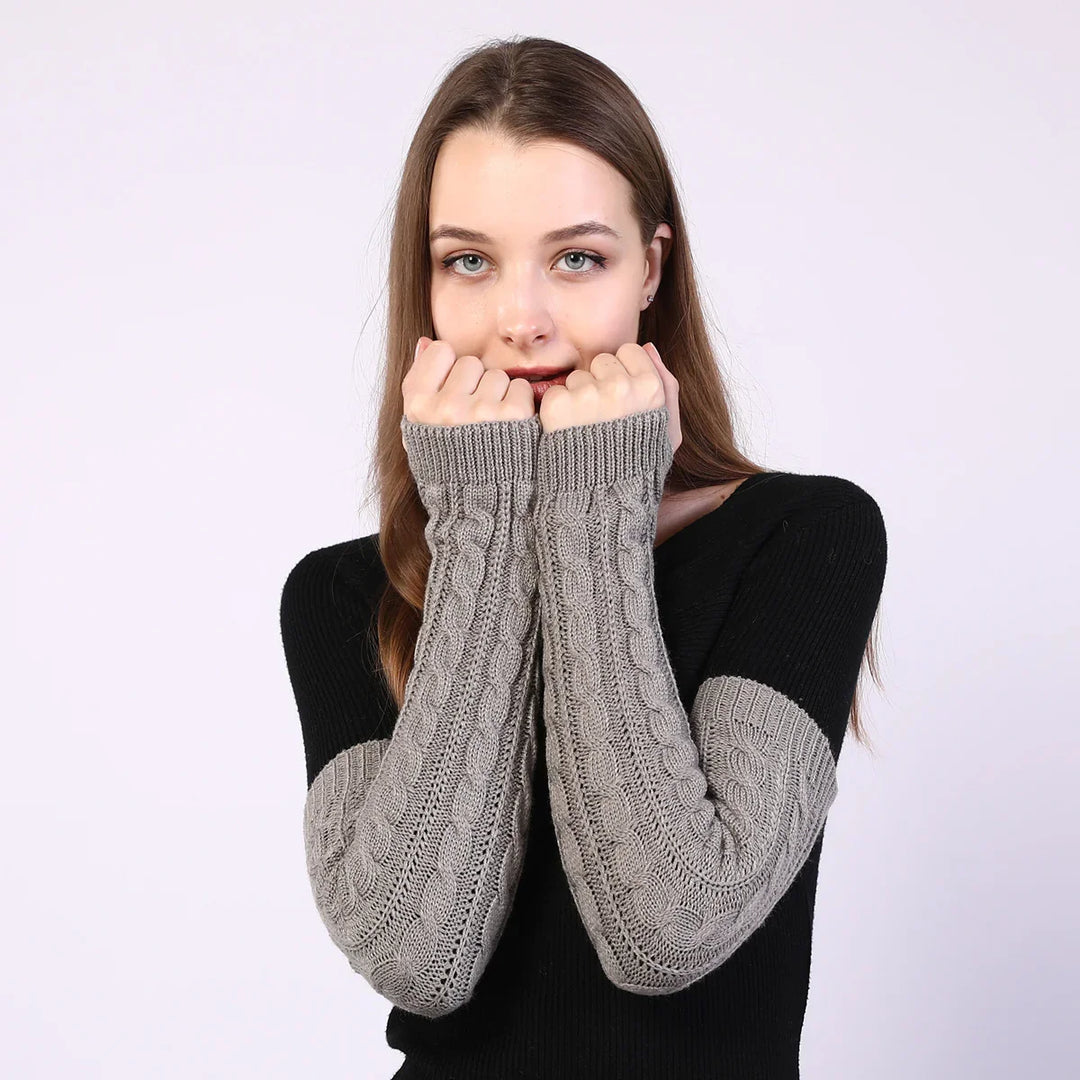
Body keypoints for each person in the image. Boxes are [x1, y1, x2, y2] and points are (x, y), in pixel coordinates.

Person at [279, 35, 888, 1080]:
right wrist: (483, 526)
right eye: (469, 261)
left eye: (577, 259)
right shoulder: (340, 594)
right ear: (425, 281)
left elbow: (670, 930)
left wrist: (593, 514)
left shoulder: (804, 538)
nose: (521, 321)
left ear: (651, 267)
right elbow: (416, 956)